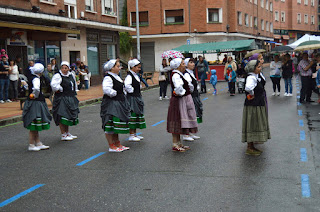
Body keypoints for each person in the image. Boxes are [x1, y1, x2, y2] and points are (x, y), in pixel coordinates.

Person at [167, 58, 198, 152]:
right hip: (179, 100)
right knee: (177, 120)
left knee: (180, 121)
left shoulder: (179, 74)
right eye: (183, 63)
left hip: (182, 99)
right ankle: (175, 144)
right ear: (178, 65)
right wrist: (183, 92)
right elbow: (178, 88)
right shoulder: (176, 75)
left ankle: (179, 143)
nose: (184, 65)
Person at [100, 59, 131, 152]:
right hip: (111, 103)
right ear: (112, 68)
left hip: (119, 102)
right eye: (117, 66)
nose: (119, 68)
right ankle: (111, 145)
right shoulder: (108, 77)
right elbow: (106, 89)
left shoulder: (116, 76)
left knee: (115, 124)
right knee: (110, 123)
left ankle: (117, 143)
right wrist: (115, 93)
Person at [242, 60, 271, 156]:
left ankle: (252, 144)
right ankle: (249, 147)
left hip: (258, 103)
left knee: (255, 123)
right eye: (258, 67)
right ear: (253, 69)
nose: (260, 68)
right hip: (253, 105)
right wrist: (252, 94)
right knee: (252, 124)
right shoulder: (251, 77)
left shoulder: (256, 76)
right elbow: (248, 88)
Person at [22, 63, 51, 151]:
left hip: (34, 102)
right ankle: (31, 144)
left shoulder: (32, 77)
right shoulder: (36, 79)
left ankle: (38, 142)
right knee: (33, 123)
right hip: (36, 103)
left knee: (36, 123)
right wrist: (34, 95)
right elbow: (36, 89)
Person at [51, 61, 79, 141]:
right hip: (62, 98)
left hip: (70, 97)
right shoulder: (58, 76)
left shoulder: (71, 75)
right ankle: (63, 134)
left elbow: (74, 85)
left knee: (68, 116)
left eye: (66, 68)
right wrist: (60, 88)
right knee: (62, 115)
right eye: (62, 68)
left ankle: (67, 132)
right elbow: (54, 85)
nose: (64, 69)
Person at [125, 59, 146, 142]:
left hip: (137, 97)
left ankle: (134, 134)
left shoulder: (135, 75)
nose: (139, 69)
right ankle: (131, 134)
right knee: (132, 115)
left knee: (137, 115)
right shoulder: (129, 76)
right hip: (132, 98)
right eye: (138, 67)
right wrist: (132, 91)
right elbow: (127, 85)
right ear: (133, 67)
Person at [183, 58, 202, 141]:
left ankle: (190, 132)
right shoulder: (186, 74)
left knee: (193, 114)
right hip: (190, 96)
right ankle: (185, 134)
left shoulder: (191, 73)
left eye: (193, 62)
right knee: (188, 114)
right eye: (191, 62)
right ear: (186, 64)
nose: (193, 64)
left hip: (195, 95)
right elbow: (189, 86)